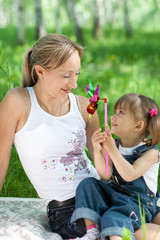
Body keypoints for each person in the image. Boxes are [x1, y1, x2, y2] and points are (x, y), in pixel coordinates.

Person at [0, 33, 100, 239]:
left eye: (77, 74)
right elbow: (1, 160)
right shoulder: (18, 101)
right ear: (40, 71)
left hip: (101, 192)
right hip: (68, 209)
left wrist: (114, 147)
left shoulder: (83, 106)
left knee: (148, 222)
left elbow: (105, 171)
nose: (74, 84)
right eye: (66, 75)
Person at [70, 93, 160, 240]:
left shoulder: (150, 153)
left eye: (121, 113)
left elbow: (130, 174)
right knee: (88, 184)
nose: (113, 116)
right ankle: (91, 231)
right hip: (114, 195)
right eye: (115, 111)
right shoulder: (114, 144)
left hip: (137, 203)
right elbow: (105, 174)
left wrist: (111, 149)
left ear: (138, 125)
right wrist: (98, 150)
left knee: (113, 216)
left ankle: (117, 233)